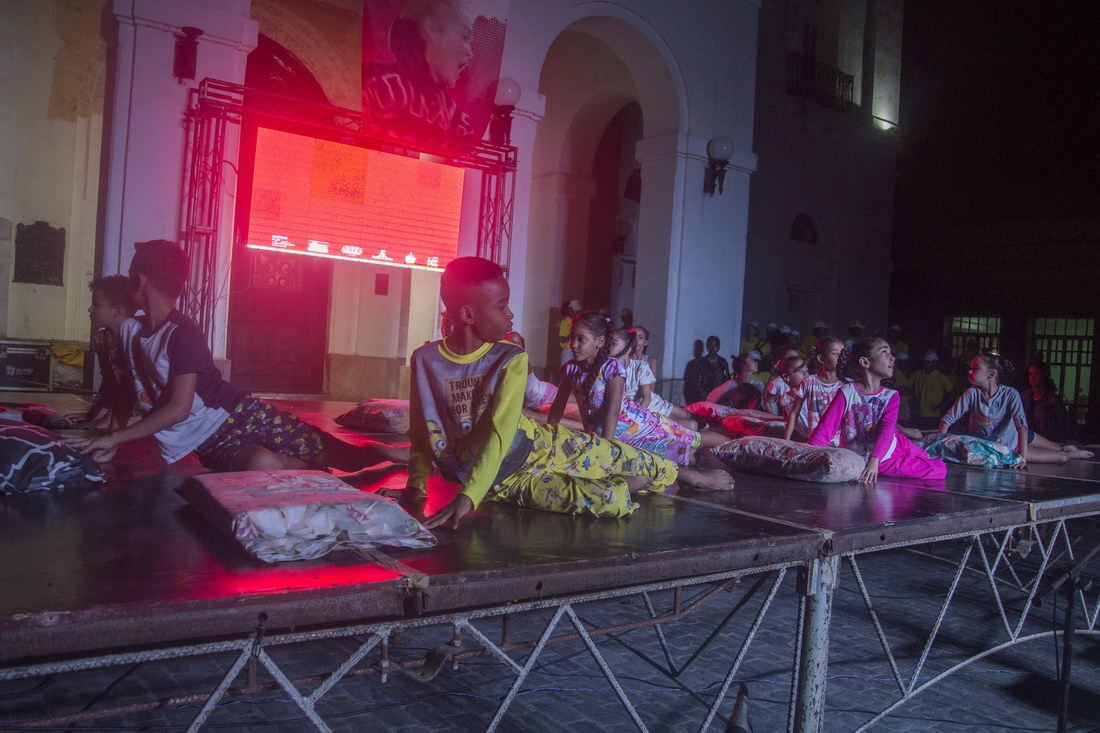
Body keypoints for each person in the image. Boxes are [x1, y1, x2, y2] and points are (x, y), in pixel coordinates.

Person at [414, 261, 731, 528]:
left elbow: (501, 433)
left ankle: (689, 476)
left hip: (536, 447)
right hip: (500, 480)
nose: (510, 315)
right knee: (608, 502)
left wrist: (467, 497)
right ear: (468, 315)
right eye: (501, 306)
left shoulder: (509, 358)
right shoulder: (424, 361)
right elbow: (419, 431)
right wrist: (415, 487)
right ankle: (629, 482)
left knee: (625, 455)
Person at [64, 240, 408, 472]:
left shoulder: (183, 334)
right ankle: (301, 466)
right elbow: (128, 390)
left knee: (342, 457)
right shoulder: (130, 332)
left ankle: (384, 454)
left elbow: (179, 408)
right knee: (263, 466)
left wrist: (114, 437)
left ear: (139, 280)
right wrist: (111, 437)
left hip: (240, 416)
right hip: (209, 443)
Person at [553, 313, 729, 465]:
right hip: (616, 437)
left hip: (643, 427)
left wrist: (604, 449)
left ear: (599, 341)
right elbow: (557, 407)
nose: (573, 344)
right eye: (572, 338)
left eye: (581, 339)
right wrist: (548, 434)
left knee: (693, 439)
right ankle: (691, 455)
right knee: (684, 456)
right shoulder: (570, 369)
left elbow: (613, 413)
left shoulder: (611, 368)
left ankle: (738, 445)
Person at [808, 337, 946, 482]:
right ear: (865, 362)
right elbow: (826, 428)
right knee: (939, 468)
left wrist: (873, 461)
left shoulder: (891, 396)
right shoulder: (847, 391)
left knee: (920, 452)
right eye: (884, 352)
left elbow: (887, 429)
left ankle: (918, 451)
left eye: (891, 353)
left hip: (887, 448)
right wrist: (809, 455)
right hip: (880, 458)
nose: (892, 357)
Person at [939, 355, 1090, 463]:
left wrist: (1021, 458)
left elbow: (1022, 427)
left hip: (1019, 437)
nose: (969, 372)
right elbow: (947, 419)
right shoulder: (972, 393)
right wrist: (939, 447)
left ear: (991, 374)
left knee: (1057, 448)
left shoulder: (1010, 394)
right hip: (1006, 445)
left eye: (975, 368)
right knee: (1062, 457)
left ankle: (1072, 450)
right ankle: (1068, 453)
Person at [66, 276, 137, 429]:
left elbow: (132, 389)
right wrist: (90, 415)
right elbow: (110, 383)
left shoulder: (138, 340)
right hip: (120, 412)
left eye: (96, 304)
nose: (90, 309)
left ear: (116, 311)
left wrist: (105, 421)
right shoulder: (103, 339)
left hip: (145, 416)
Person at [612, 329, 701, 430]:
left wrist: (638, 416)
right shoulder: (615, 366)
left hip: (651, 405)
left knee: (697, 421)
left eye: (640, 337)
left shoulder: (645, 363)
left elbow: (649, 394)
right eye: (634, 336)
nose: (636, 340)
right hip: (641, 410)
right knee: (691, 425)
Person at [784, 337, 846, 441]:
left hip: (839, 443)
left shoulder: (846, 385)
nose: (840, 357)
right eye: (834, 353)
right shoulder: (809, 382)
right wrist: (786, 441)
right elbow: (794, 413)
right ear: (821, 359)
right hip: (815, 441)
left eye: (842, 353)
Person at [504, 331, 557, 409]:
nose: (517, 346)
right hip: (537, 402)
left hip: (546, 393)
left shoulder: (522, 360)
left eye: (519, 343)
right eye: (512, 342)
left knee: (578, 401)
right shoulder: (505, 364)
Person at [1022, 361, 1071, 442]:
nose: (1033, 377)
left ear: (1044, 375)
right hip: (1026, 439)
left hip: (1047, 441)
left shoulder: (1053, 400)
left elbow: (1062, 425)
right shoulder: (1024, 397)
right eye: (1030, 374)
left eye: (1036, 374)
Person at [910, 349, 954, 430]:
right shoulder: (917, 374)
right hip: (918, 414)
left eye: (928, 361)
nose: (926, 363)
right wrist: (913, 404)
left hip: (934, 415)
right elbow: (908, 389)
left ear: (934, 362)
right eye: (925, 361)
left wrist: (941, 405)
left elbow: (952, 392)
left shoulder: (941, 377)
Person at [683, 335, 731, 405]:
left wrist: (725, 397)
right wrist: (709, 397)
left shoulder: (723, 362)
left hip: (721, 400)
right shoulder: (700, 363)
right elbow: (697, 384)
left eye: (715, 345)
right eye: (710, 345)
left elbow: (727, 380)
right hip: (706, 400)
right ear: (707, 346)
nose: (712, 348)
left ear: (718, 347)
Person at [761, 354, 808, 420]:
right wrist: (772, 416)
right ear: (786, 377)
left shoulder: (811, 387)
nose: (807, 374)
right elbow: (767, 398)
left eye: (807, 371)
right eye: (802, 372)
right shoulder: (785, 394)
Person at [558, 299, 581, 365]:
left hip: (576, 350)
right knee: (566, 372)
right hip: (567, 351)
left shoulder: (579, 322)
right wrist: (573, 333)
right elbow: (563, 340)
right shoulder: (565, 322)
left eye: (578, 311)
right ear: (570, 310)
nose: (577, 313)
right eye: (576, 311)